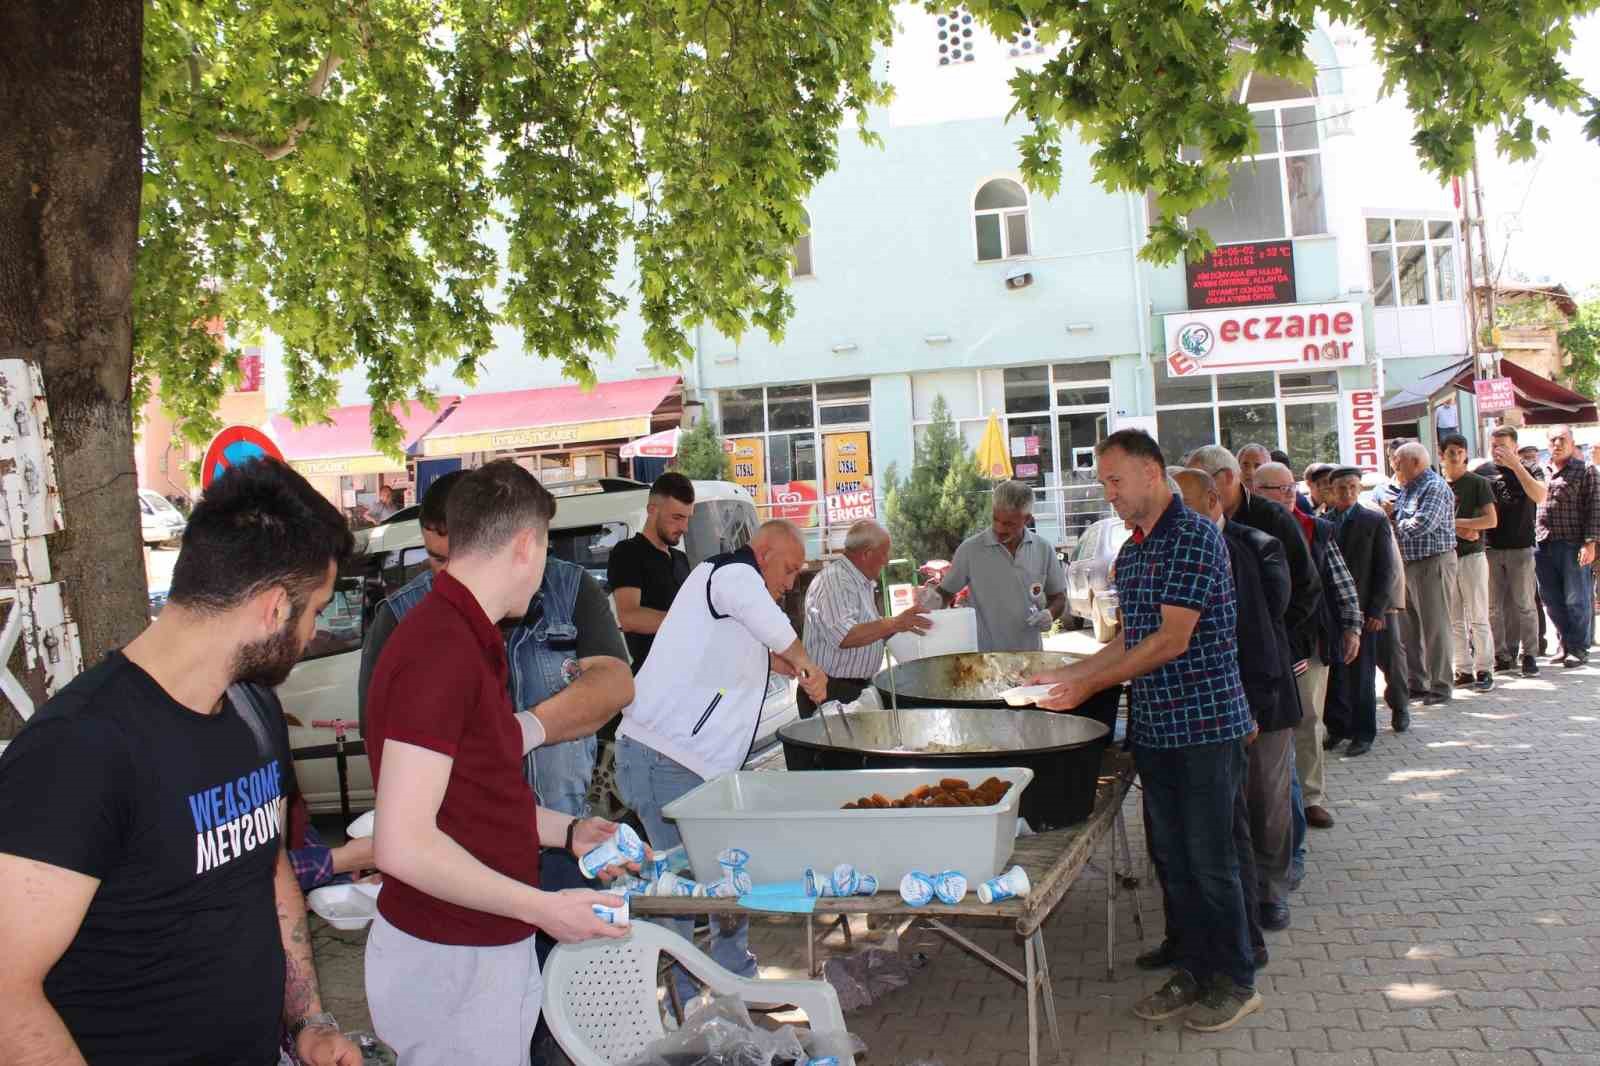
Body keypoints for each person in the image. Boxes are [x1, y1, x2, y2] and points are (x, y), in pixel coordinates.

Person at [0, 459, 362, 1066]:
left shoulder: (252, 710)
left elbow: (267, 869)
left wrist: (307, 1019)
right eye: (314, 609)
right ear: (275, 608)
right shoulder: (79, 748)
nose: (312, 632)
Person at [364, 461, 631, 1065]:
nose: (542, 575)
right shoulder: (439, 649)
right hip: (451, 953)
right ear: (524, 545)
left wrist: (567, 832)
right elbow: (401, 844)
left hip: (481, 941)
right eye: (544, 552)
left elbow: (477, 791)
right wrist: (544, 909)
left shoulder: (467, 636)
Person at [1032, 431, 1261, 1032]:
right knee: (1172, 858)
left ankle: (1235, 979)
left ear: (1153, 473)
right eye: (1104, 482)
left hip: (1207, 727)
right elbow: (1130, 639)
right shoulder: (1132, 552)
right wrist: (1063, 672)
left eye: (1116, 480)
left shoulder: (1192, 537)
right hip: (1157, 730)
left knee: (1212, 861)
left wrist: (1084, 688)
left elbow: (1171, 639)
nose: (1108, 493)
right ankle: (1189, 966)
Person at [616, 519, 828, 1002]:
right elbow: (773, 629)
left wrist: (795, 664)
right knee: (680, 894)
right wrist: (806, 662)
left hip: (700, 770)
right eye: (790, 569)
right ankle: (686, 1007)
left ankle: (735, 982)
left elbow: (765, 652)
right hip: (663, 758)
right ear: (765, 551)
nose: (791, 583)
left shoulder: (741, 604)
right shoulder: (728, 573)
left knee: (731, 874)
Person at [360, 468, 634, 818]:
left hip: (558, 823)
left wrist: (524, 730)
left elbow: (616, 682)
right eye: (437, 558)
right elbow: (385, 761)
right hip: (460, 848)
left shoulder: (569, 587)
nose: (451, 575)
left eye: (461, 557)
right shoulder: (406, 620)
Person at [1176, 468, 1300, 940]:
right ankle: (1240, 897)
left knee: (1268, 801)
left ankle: (1272, 891)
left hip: (1261, 695)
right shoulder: (1179, 550)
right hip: (1216, 706)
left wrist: (1251, 704)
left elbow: (1267, 628)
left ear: (1213, 500)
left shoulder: (1254, 546)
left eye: (1183, 508)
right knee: (1232, 808)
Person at [1186, 448, 1325, 824]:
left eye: (1198, 483)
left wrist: (1284, 644)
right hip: (1236, 674)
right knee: (1260, 782)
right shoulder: (1198, 529)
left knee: (1276, 776)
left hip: (1274, 663)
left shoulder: (1269, 522)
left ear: (1223, 481)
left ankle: (1289, 856)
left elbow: (1305, 588)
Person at [1251, 461, 1360, 833]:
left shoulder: (1316, 528)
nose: (1286, 495)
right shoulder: (1244, 530)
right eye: (1275, 489)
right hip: (1263, 643)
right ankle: (1274, 799)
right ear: (1254, 490)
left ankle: (1311, 797)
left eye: (1289, 488)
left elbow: (1339, 581)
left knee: (1310, 719)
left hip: (1309, 640)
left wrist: (1352, 626)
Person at [799, 520, 930, 716]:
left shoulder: (859, 581)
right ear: (867, 554)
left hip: (849, 689)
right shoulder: (835, 581)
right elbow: (845, 636)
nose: (887, 561)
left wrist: (899, 629)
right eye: (884, 553)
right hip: (831, 691)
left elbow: (867, 631)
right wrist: (892, 623)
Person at [1323, 467, 1401, 754]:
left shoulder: (1373, 520)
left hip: (1365, 609)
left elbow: (1385, 568)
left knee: (1362, 674)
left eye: (1353, 487)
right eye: (1341, 488)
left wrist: (1377, 611)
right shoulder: (1324, 522)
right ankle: (1337, 727)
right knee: (1335, 674)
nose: (1347, 492)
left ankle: (1364, 732)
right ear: (1331, 490)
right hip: (1333, 610)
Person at [937, 480, 1067, 651]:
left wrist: (1049, 614)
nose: (999, 528)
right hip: (985, 661)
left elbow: (1058, 597)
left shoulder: (1043, 549)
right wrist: (929, 601)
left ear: (1027, 519)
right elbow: (945, 593)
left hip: (1031, 658)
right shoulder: (970, 550)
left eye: (1008, 524)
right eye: (995, 519)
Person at [1386, 442, 1460, 705]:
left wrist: (1393, 518)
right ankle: (1417, 683)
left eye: (1398, 461)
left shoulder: (1434, 486)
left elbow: (1424, 524)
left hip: (1433, 563)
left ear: (1415, 462)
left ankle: (1441, 686)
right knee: (1410, 629)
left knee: (1435, 628)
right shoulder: (1408, 488)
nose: (1394, 466)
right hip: (1408, 564)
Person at [608, 472, 695, 674]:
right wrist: (689, 622)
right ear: (652, 510)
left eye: (687, 518)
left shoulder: (680, 559)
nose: (684, 527)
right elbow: (629, 617)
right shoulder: (628, 552)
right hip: (649, 682)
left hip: (685, 677)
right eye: (677, 517)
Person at [1534, 425, 1600, 667]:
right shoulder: (1542, 471)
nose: (1558, 444)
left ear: (1572, 443)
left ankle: (1578, 648)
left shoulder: (1586, 470)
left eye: (1563, 439)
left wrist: (1590, 543)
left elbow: (1595, 508)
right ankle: (1565, 643)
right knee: (1551, 599)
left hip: (1573, 543)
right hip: (1543, 543)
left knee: (1576, 599)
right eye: (1553, 440)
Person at [1484, 426, 1546, 677]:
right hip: (1491, 547)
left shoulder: (1531, 469)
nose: (1497, 451)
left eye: (1503, 446)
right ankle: (1501, 654)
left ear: (1515, 447)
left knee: (1525, 604)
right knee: (1494, 607)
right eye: (1493, 445)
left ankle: (1529, 654)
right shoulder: (1483, 471)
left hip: (1521, 547)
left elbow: (1540, 494)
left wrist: (1516, 466)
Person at [1439, 434, 1498, 692]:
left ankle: (1485, 668)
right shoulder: (1439, 485)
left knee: (1478, 615)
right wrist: (1462, 527)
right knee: (1454, 619)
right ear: (1441, 455)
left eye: (1460, 451)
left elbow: (1490, 521)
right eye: (1450, 451)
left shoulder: (1477, 483)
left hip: (1472, 555)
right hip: (1447, 557)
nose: (1455, 456)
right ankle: (1463, 669)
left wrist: (1457, 524)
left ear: (1465, 454)